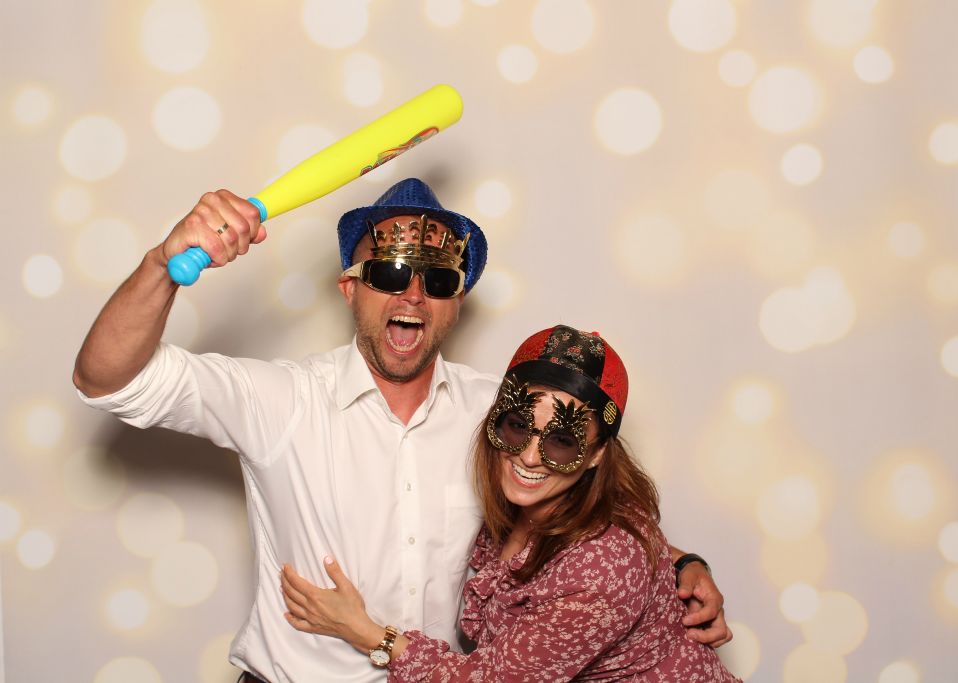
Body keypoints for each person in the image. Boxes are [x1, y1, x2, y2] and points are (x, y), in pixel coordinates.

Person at [73, 178, 730, 683]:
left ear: (456, 302)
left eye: (437, 278)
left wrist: (678, 565)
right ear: (350, 288)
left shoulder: (501, 414)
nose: (413, 294)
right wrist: (162, 263)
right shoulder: (282, 400)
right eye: (389, 272)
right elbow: (106, 378)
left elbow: (579, 506)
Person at [280, 325, 741, 681]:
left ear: (597, 454)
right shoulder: (529, 508)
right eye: (518, 425)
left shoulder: (604, 566)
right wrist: (687, 562)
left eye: (562, 441)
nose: (529, 456)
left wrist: (363, 631)